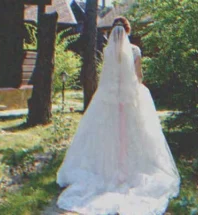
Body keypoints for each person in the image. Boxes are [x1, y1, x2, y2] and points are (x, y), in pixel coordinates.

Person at [56, 16, 180, 215]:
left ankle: (108, 170)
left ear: (112, 31)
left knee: (108, 132)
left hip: (109, 99)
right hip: (131, 99)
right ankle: (129, 169)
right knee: (137, 133)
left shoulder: (108, 51)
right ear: (128, 31)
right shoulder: (135, 51)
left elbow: (107, 77)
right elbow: (138, 77)